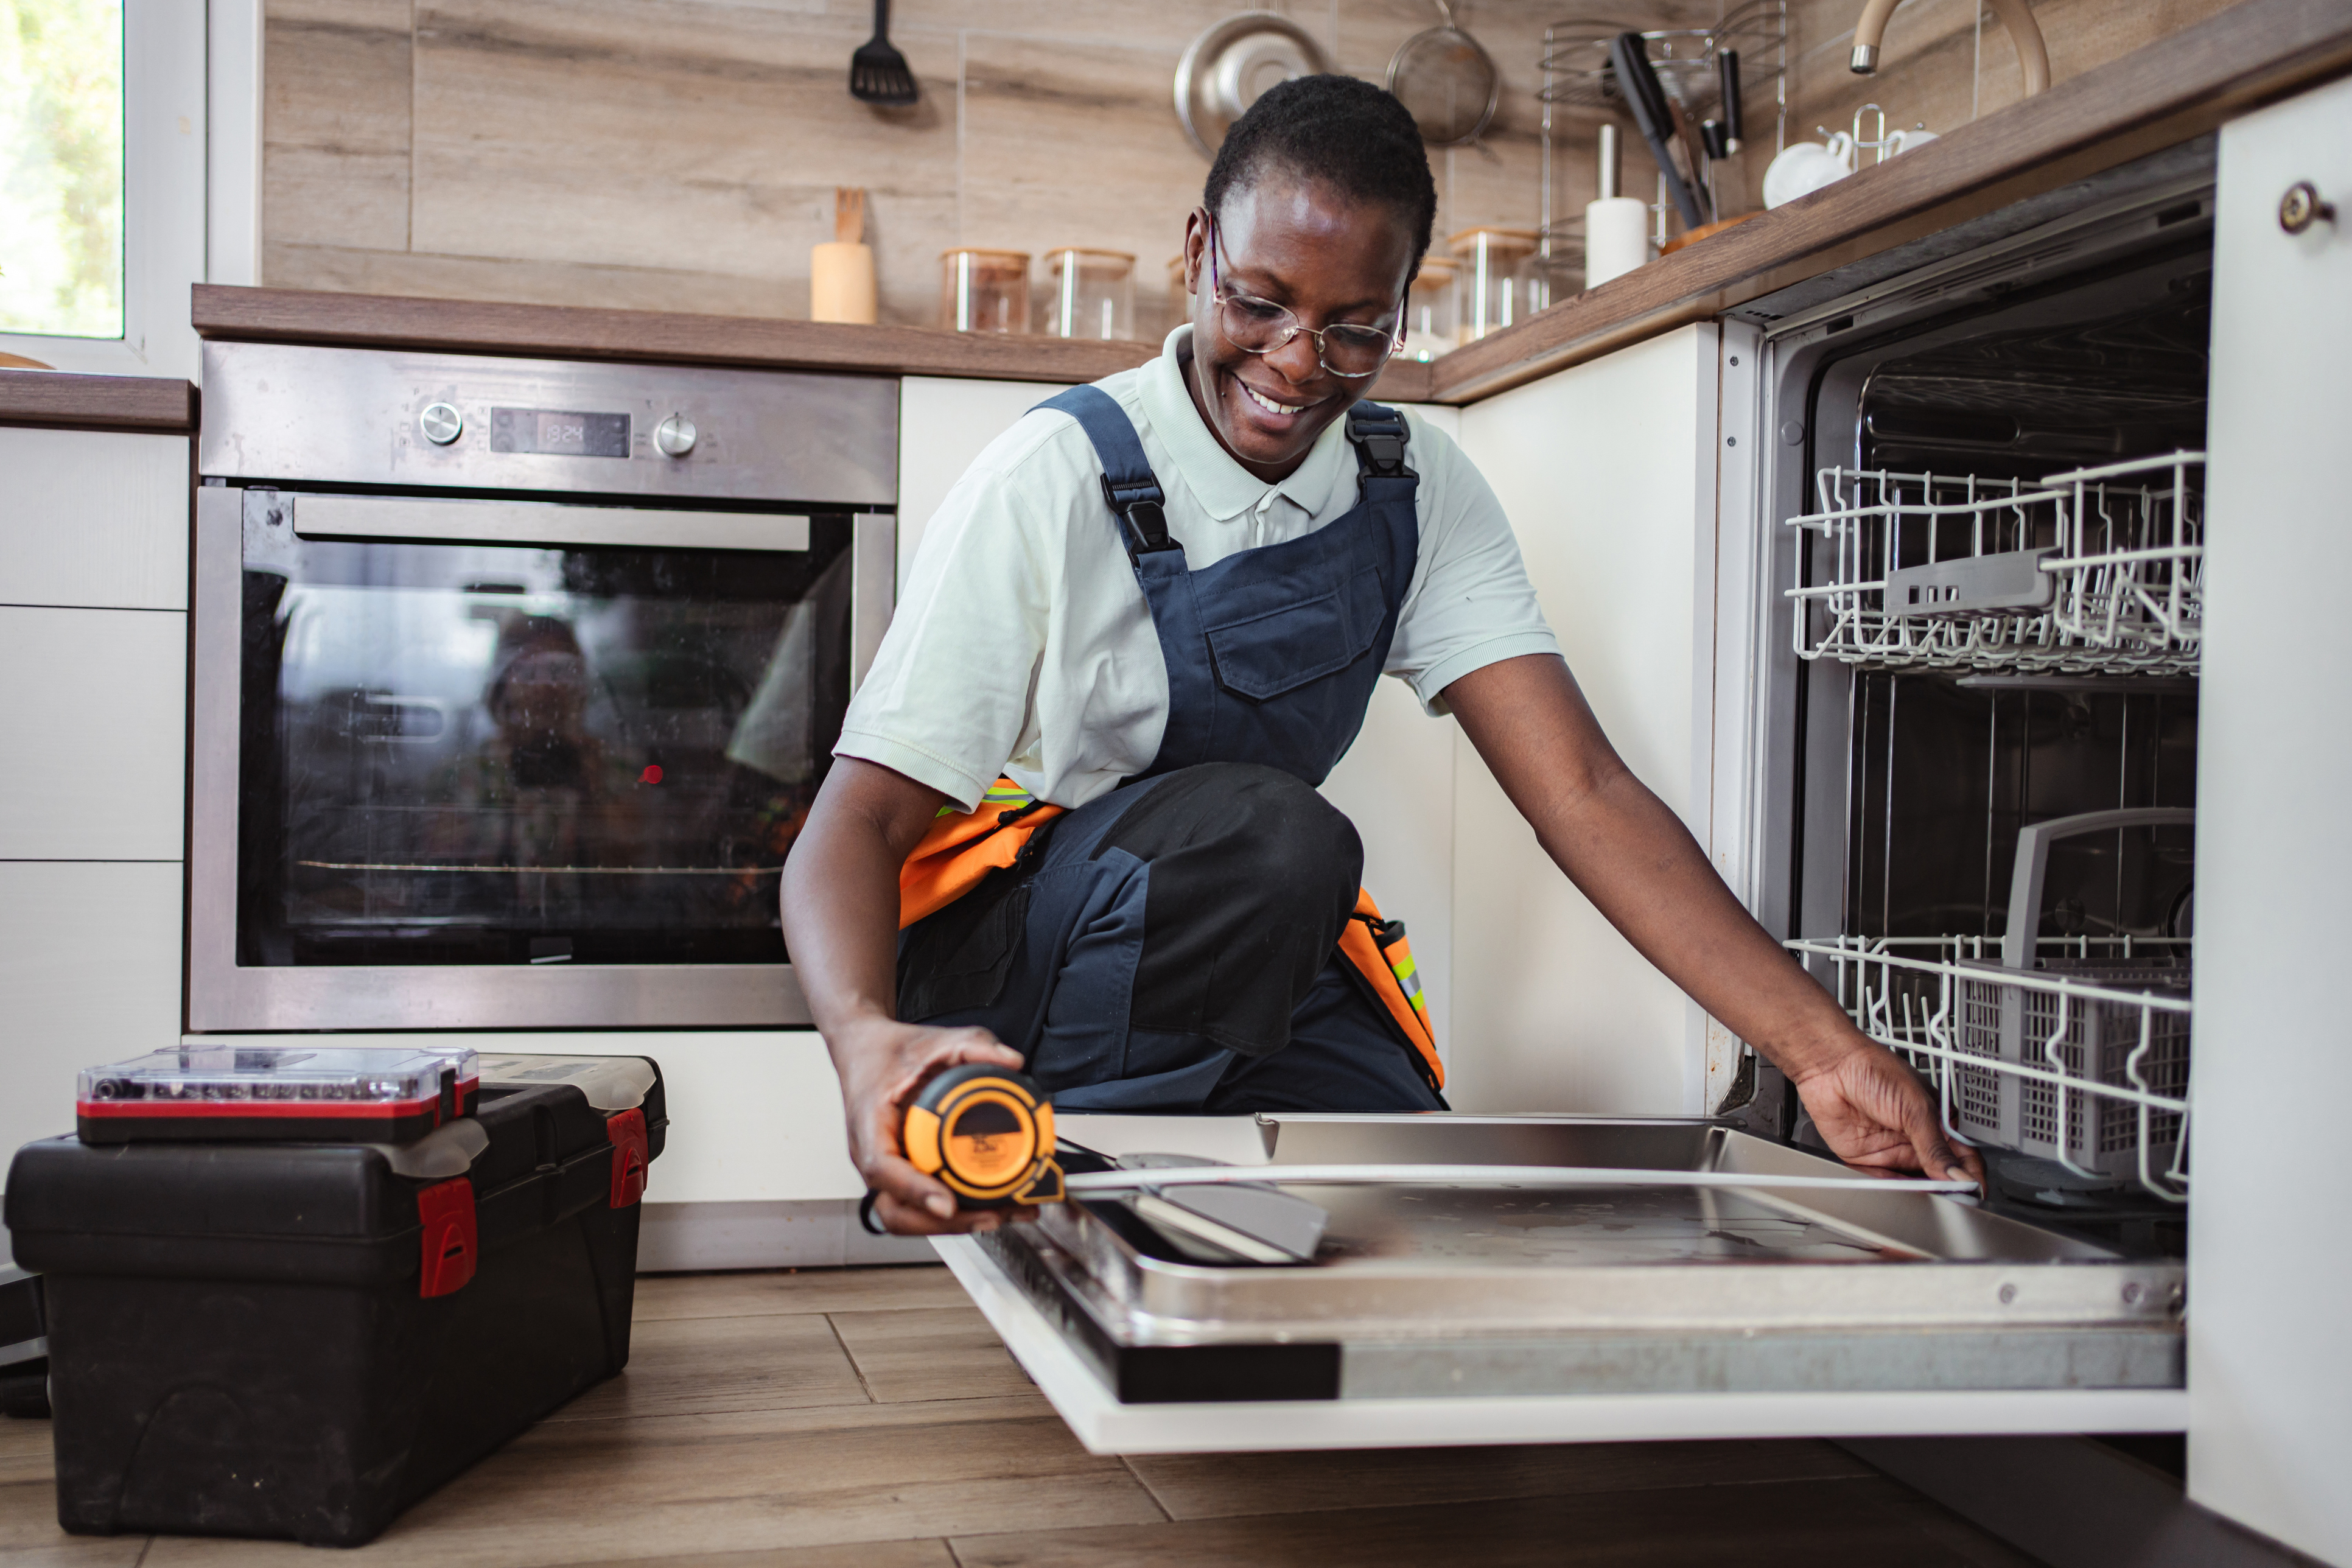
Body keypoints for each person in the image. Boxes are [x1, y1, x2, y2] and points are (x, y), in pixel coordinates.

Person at [779, 76, 1985, 1237]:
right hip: (1018, 962)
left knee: (1413, 1197)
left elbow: (1582, 790)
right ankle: (1046, 1169)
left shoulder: (1412, 487)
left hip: (1241, 923)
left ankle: (1163, 1195)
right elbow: (858, 824)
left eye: (1356, 327)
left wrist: (1824, 1053)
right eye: (1259, 300)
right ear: (1196, 251)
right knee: (1277, 835)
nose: (1301, 362)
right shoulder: (1053, 475)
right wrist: (862, 1039)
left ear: (1407, 302)